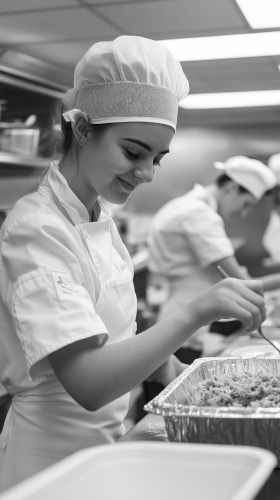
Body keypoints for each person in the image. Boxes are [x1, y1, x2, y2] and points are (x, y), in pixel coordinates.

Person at [0, 36, 266, 491]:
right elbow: (88, 382)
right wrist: (196, 311)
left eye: (158, 158)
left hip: (104, 452)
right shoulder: (36, 230)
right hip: (46, 465)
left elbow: (117, 330)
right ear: (82, 129)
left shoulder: (98, 216)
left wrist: (171, 374)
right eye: (133, 151)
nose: (146, 173)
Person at [148, 156, 280, 362]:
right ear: (232, 188)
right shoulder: (199, 214)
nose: (243, 213)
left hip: (181, 318)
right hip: (185, 327)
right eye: (246, 204)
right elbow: (240, 282)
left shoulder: (189, 206)